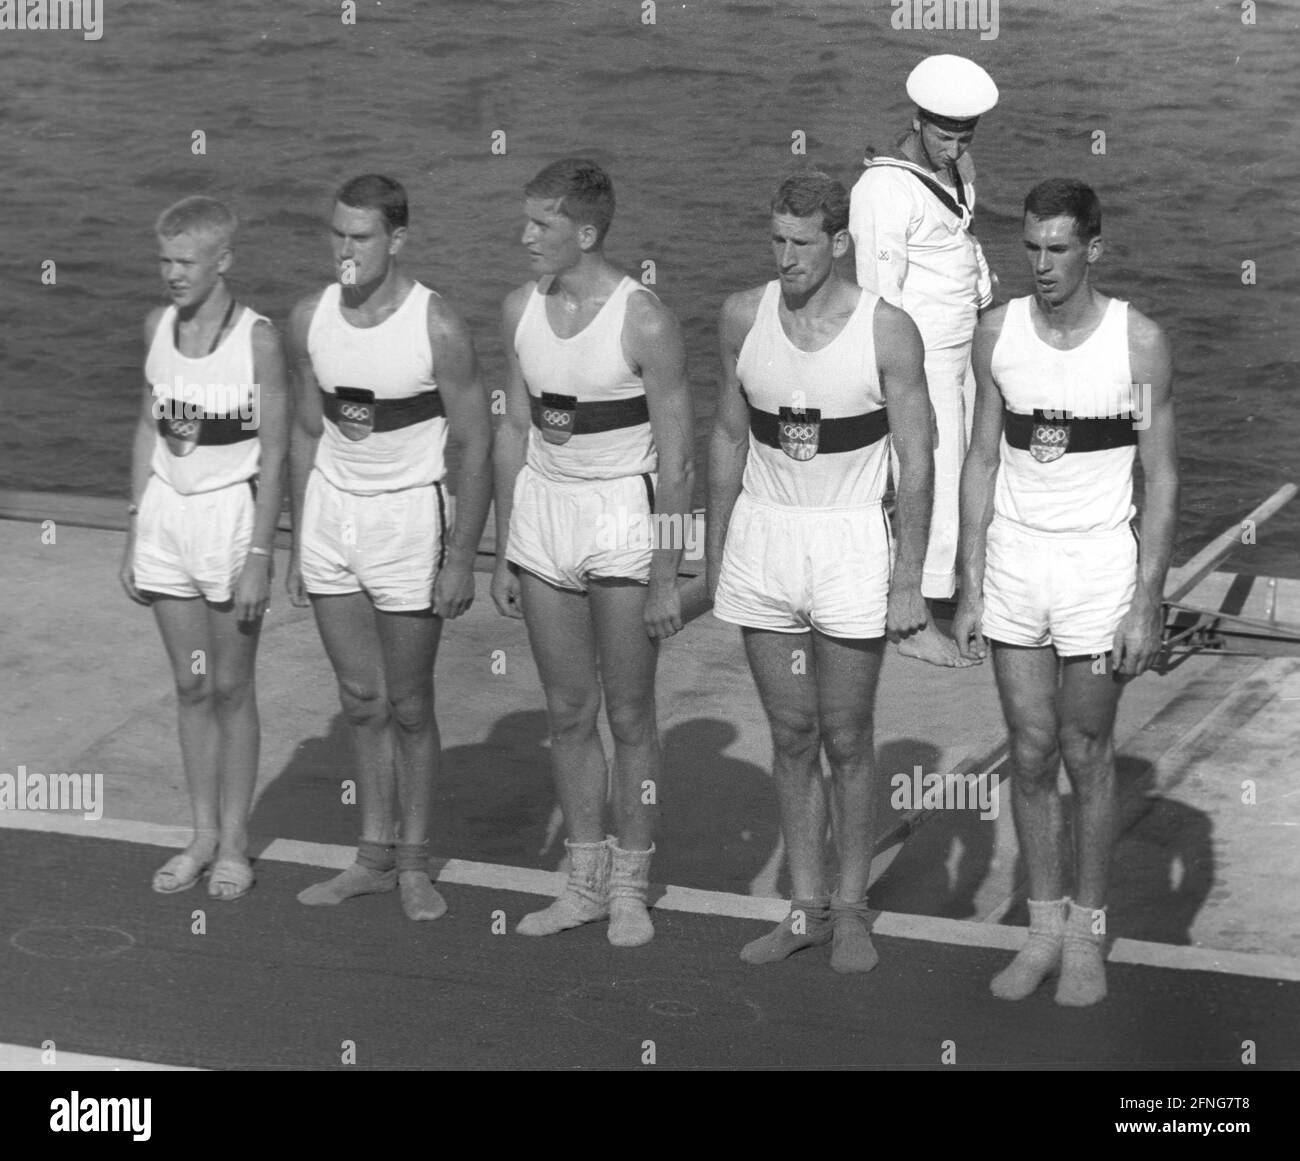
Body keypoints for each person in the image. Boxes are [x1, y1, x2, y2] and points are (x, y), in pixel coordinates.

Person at [953, 178, 1178, 1005]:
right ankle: (1042, 930)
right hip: (1016, 564)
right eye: (1032, 249)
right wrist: (969, 583)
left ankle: (1087, 934)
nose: (1042, 266)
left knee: (1086, 751)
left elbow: (1160, 475)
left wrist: (1147, 598)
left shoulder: (1138, 345)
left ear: (1094, 249)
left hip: (1095, 570)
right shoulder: (996, 335)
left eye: (1058, 249)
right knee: (1030, 748)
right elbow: (981, 458)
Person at [707, 168, 933, 972]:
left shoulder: (887, 330)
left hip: (848, 544)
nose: (786, 257)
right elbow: (730, 437)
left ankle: (851, 910)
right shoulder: (742, 317)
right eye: (776, 239)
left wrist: (909, 576)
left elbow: (917, 456)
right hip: (766, 540)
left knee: (845, 734)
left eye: (802, 242)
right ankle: (803, 908)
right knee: (792, 732)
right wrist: (716, 550)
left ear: (839, 242)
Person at [492, 158, 694, 948]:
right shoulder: (518, 309)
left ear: (585, 231)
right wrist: (508, 546)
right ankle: (581, 885)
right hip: (544, 515)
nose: (525, 237)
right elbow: (513, 431)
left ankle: (633, 886)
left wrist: (669, 571)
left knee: (631, 712)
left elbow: (676, 461)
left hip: (623, 517)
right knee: (569, 712)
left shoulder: (645, 320)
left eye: (540, 224)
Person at [286, 174, 493, 921]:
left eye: (361, 236)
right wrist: (295, 543)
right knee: (360, 698)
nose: (346, 249)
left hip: (411, 522)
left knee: (409, 702)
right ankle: (371, 857)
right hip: (331, 521)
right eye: (337, 234)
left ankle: (414, 861)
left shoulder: (435, 325)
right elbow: (309, 433)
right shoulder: (309, 317)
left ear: (397, 240)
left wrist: (463, 555)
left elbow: (473, 441)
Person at [121, 195, 289, 901]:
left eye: (185, 261)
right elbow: (146, 427)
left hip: (230, 522)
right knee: (190, 686)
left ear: (222, 260)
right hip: (166, 519)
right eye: (164, 259)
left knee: (229, 685)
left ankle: (236, 843)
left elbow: (277, 452)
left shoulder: (258, 341)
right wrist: (135, 527)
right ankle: (199, 835)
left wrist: (260, 554)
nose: (172, 274)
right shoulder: (157, 326)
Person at [849, 53, 999, 666]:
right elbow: (880, 297)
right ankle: (907, 621)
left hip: (964, 349)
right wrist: (901, 390)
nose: (954, 147)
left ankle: (947, 596)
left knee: (969, 469)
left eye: (965, 135)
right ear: (916, 120)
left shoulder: (958, 166)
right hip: (922, 359)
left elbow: (962, 239)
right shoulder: (882, 188)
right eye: (943, 135)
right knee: (922, 478)